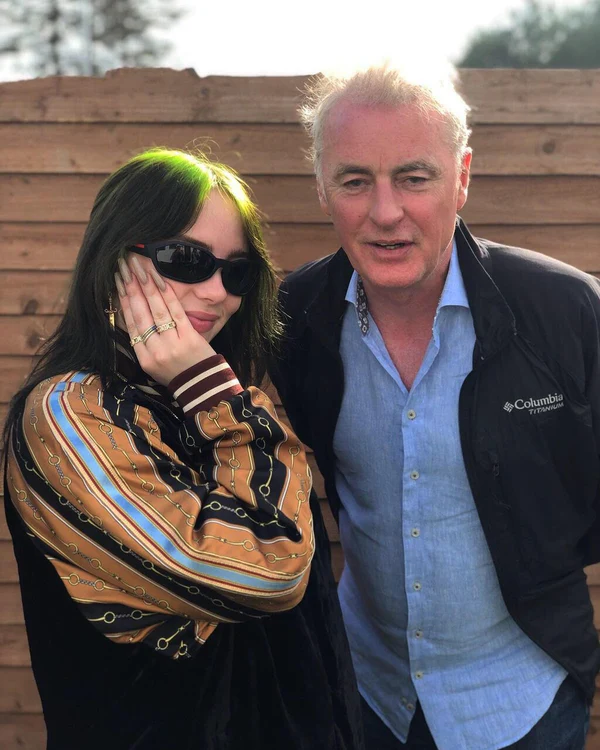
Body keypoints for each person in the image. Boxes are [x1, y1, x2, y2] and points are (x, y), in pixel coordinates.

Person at [270, 62, 600, 750]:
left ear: (462, 176)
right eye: (355, 181)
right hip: (368, 693)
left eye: (414, 178)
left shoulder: (565, 311)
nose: (385, 211)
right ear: (322, 188)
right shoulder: (293, 318)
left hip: (523, 700)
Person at [2, 148, 363, 750]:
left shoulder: (215, 400)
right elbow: (272, 570)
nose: (217, 292)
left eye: (237, 272)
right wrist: (216, 395)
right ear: (114, 261)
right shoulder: (68, 415)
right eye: (186, 260)